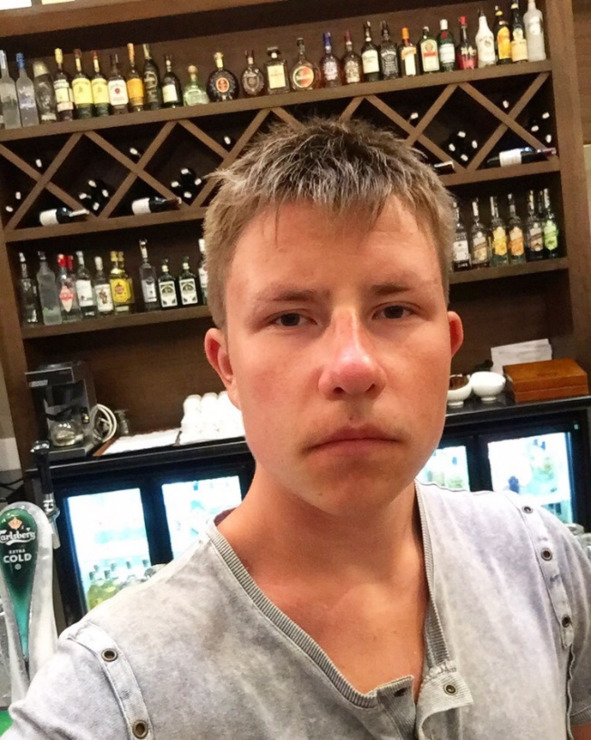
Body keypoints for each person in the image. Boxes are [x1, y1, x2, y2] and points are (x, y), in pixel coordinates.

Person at [5, 118, 591, 739]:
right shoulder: (109, 693)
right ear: (227, 365)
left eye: (394, 310)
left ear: (448, 346)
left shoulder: (541, 564)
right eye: (290, 318)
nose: (353, 368)